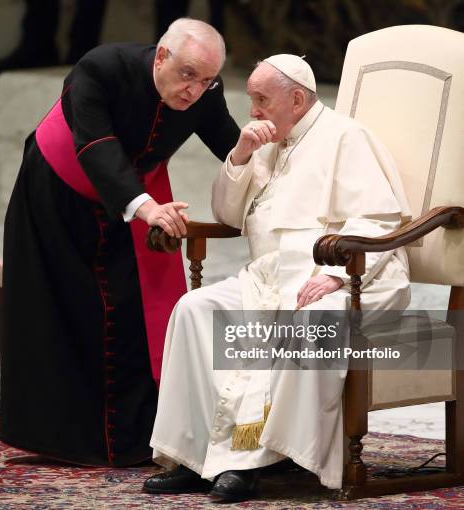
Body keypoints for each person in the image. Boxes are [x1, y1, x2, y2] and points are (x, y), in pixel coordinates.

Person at [144, 54, 412, 501]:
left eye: (261, 99)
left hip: (347, 276)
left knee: (310, 320)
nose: (253, 112)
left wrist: (338, 277)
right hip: (269, 275)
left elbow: (381, 224)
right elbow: (228, 214)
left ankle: (251, 464)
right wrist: (240, 155)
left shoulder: (347, 138)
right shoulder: (266, 142)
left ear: (297, 99)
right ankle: (194, 458)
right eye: (251, 99)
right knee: (194, 309)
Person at [0, 19, 240, 467]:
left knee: (134, 313)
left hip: (134, 198)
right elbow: (95, 144)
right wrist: (147, 207)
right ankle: (65, 440)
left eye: (206, 80)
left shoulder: (205, 93)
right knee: (67, 310)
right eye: (187, 74)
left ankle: (140, 438)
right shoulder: (102, 67)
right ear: (162, 57)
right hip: (56, 195)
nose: (194, 90)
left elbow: (229, 143)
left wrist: (261, 161)